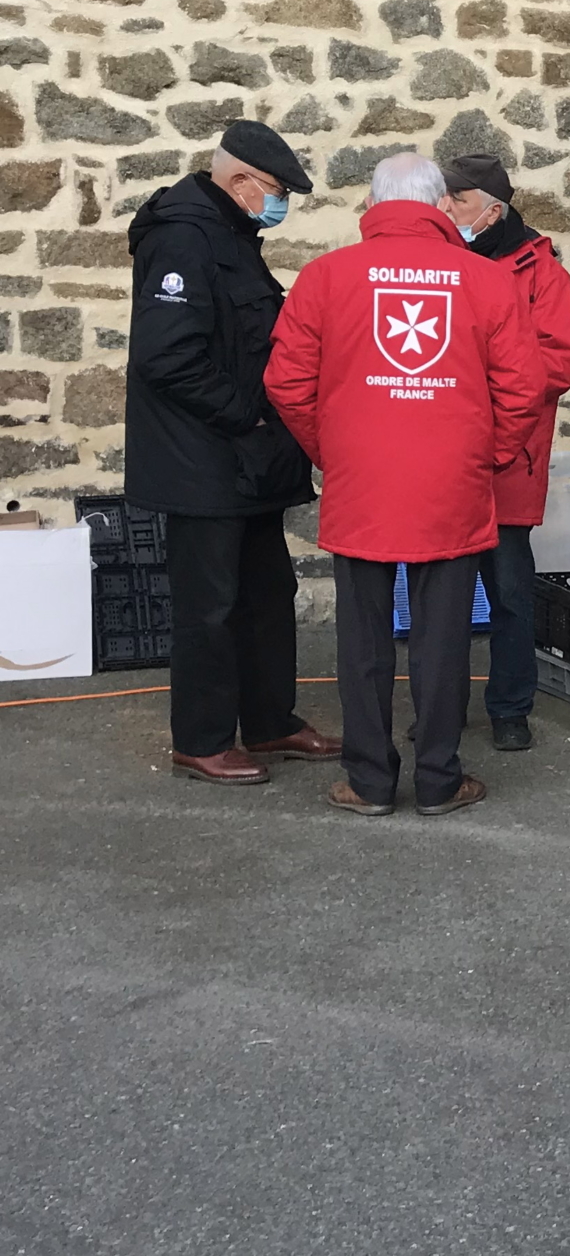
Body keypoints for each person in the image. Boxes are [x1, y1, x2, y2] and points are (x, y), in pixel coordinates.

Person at [264, 152, 544, 819]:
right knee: (443, 639)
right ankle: (440, 778)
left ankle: (369, 780)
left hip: (362, 481)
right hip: (452, 483)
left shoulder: (325, 276)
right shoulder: (487, 279)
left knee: (362, 638)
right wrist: (487, 456)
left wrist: (332, 451)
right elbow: (524, 388)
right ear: (441, 205)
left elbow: (286, 382)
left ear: (373, 203)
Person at [125, 122, 337, 786]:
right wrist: (249, 413)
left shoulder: (232, 235)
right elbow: (167, 356)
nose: (281, 204)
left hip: (247, 463)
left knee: (266, 594)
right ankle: (203, 739)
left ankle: (269, 719)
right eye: (277, 191)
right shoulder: (184, 237)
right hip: (203, 462)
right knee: (209, 607)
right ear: (240, 180)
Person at [440, 154, 570, 753]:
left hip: (508, 461)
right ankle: (441, 711)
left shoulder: (544, 275)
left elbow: (559, 364)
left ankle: (510, 709)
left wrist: (479, 386)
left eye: (459, 199)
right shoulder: (441, 261)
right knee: (441, 602)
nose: (447, 208)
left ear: (492, 210)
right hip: (448, 459)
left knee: (510, 595)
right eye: (445, 197)